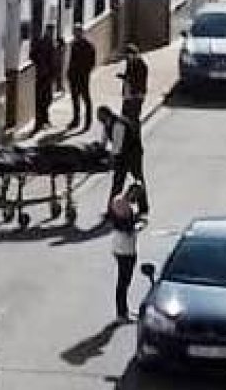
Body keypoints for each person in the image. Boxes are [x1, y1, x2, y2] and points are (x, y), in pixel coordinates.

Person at [98, 105, 149, 215]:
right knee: (117, 182)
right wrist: (100, 150)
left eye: (100, 116)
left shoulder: (118, 124)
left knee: (137, 178)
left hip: (133, 153)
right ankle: (112, 209)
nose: (99, 119)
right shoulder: (107, 124)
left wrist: (110, 159)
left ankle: (143, 206)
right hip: (122, 154)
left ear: (106, 115)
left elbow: (117, 146)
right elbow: (104, 140)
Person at [108, 183, 146, 322]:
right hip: (124, 248)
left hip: (124, 246)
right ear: (131, 192)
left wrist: (135, 220)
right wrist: (137, 225)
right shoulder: (120, 203)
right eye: (136, 196)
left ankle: (124, 310)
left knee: (125, 281)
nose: (136, 199)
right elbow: (125, 226)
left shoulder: (120, 202)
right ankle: (121, 313)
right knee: (123, 281)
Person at [66, 25, 96, 131]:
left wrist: (85, 72)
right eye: (74, 33)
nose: (75, 35)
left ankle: (88, 122)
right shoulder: (74, 45)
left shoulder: (88, 46)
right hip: (74, 76)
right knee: (75, 99)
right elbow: (72, 60)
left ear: (81, 33)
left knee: (86, 99)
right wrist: (69, 73)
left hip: (83, 76)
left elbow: (92, 62)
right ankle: (76, 120)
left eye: (77, 33)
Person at [29, 25, 57, 133]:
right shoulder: (42, 43)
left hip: (48, 76)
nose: (51, 34)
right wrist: (40, 65)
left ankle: (45, 119)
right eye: (50, 31)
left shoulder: (52, 43)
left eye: (52, 32)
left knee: (47, 99)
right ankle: (39, 122)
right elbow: (33, 55)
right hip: (42, 75)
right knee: (40, 100)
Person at [118, 44, 148, 122]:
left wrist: (127, 79)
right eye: (127, 56)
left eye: (129, 55)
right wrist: (123, 77)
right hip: (128, 93)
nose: (128, 57)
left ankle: (135, 132)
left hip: (136, 94)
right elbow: (129, 75)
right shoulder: (130, 63)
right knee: (125, 115)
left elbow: (139, 80)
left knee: (134, 116)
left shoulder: (141, 65)